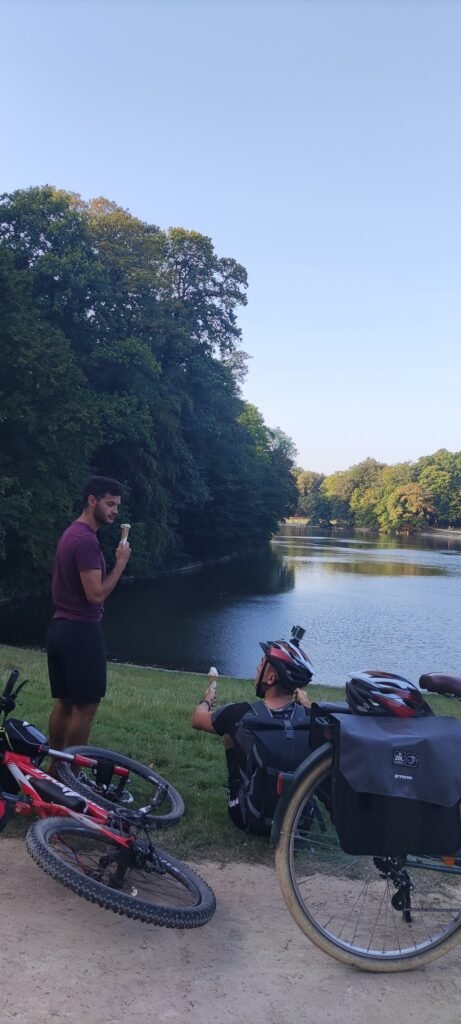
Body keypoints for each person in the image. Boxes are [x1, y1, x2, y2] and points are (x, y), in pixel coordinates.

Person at [191, 631, 313, 833]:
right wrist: (307, 704)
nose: (257, 667)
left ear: (271, 677)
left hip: (249, 819)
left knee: (231, 733)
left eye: (262, 663)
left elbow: (197, 720)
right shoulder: (312, 719)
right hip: (299, 824)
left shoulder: (240, 714)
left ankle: (236, 788)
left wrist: (207, 699)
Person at [46, 475, 132, 753]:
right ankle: (67, 774)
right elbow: (95, 594)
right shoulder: (85, 541)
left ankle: (55, 766)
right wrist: (120, 565)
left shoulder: (71, 532)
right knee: (87, 706)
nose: (114, 511)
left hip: (59, 627)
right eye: (109, 504)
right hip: (80, 631)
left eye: (117, 506)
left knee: (66, 702)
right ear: (91, 500)